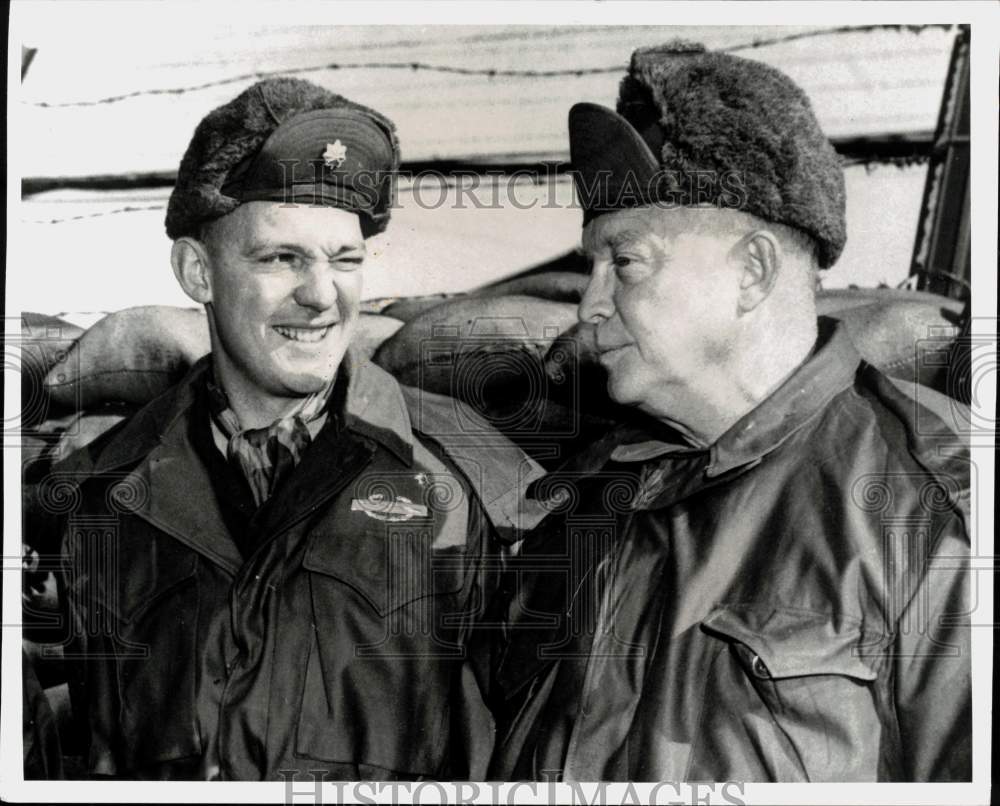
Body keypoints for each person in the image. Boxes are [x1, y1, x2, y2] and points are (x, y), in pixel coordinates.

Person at [489, 42, 971, 782]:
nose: (588, 306)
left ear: (751, 272)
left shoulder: (932, 514)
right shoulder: (581, 499)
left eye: (625, 263)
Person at [41, 77, 542, 780]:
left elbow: (537, 749)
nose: (320, 295)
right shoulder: (107, 489)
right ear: (197, 270)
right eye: (282, 258)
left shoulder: (466, 479)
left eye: (344, 260)